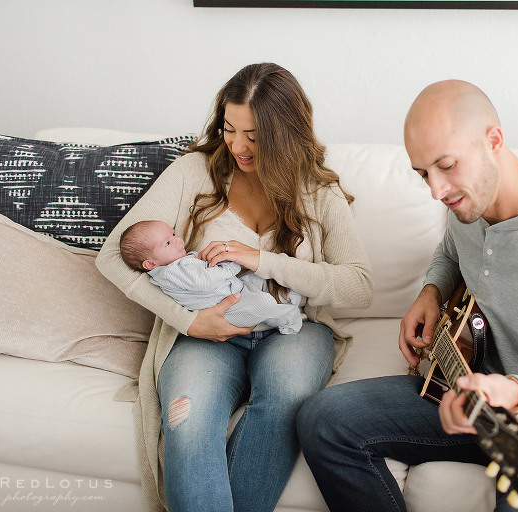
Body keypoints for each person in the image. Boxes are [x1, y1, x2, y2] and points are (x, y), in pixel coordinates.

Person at [297, 80, 518, 512]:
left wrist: (514, 394)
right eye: (423, 174)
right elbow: (450, 251)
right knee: (322, 420)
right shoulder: (468, 207)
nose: (437, 191)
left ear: (493, 141)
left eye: (447, 165)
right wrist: (430, 291)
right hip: (473, 395)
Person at [96, 62, 373, 512]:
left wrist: (261, 260)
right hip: (205, 331)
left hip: (294, 330)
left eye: (254, 135)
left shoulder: (319, 193)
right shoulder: (192, 173)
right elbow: (112, 256)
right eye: (229, 129)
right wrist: (189, 320)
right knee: (188, 417)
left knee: (285, 400)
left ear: (285, 132)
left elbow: (359, 287)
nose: (238, 146)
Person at [119, 219, 304, 334]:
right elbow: (206, 281)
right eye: (168, 242)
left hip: (232, 290)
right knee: (263, 304)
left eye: (174, 233)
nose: (177, 240)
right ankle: (289, 318)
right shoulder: (172, 272)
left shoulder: (177, 264)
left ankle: (287, 297)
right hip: (227, 311)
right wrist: (231, 265)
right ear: (150, 264)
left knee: (258, 282)